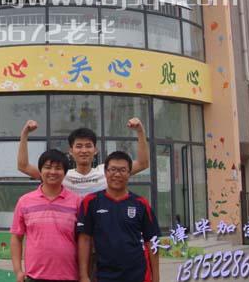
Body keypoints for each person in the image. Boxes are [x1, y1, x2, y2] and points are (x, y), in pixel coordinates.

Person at [77, 151, 160, 282]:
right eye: (113, 169)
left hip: (138, 275)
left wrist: (156, 278)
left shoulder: (141, 203)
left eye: (122, 170)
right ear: (105, 172)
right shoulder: (91, 201)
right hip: (103, 275)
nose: (117, 174)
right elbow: (85, 239)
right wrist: (83, 276)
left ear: (129, 173)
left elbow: (152, 241)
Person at [17, 118, 149, 196]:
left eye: (88, 146)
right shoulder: (60, 175)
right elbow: (23, 166)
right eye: (79, 146)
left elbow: (143, 164)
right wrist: (24, 134)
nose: (84, 151)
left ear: (95, 150)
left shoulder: (106, 172)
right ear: (71, 151)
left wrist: (140, 131)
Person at [11, 149, 80, 282]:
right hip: (34, 276)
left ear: (65, 172)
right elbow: (16, 238)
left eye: (58, 168)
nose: (52, 172)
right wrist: (18, 271)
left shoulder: (76, 202)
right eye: (47, 167)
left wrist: (83, 274)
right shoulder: (24, 201)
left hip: (69, 276)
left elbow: (83, 241)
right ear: (40, 171)